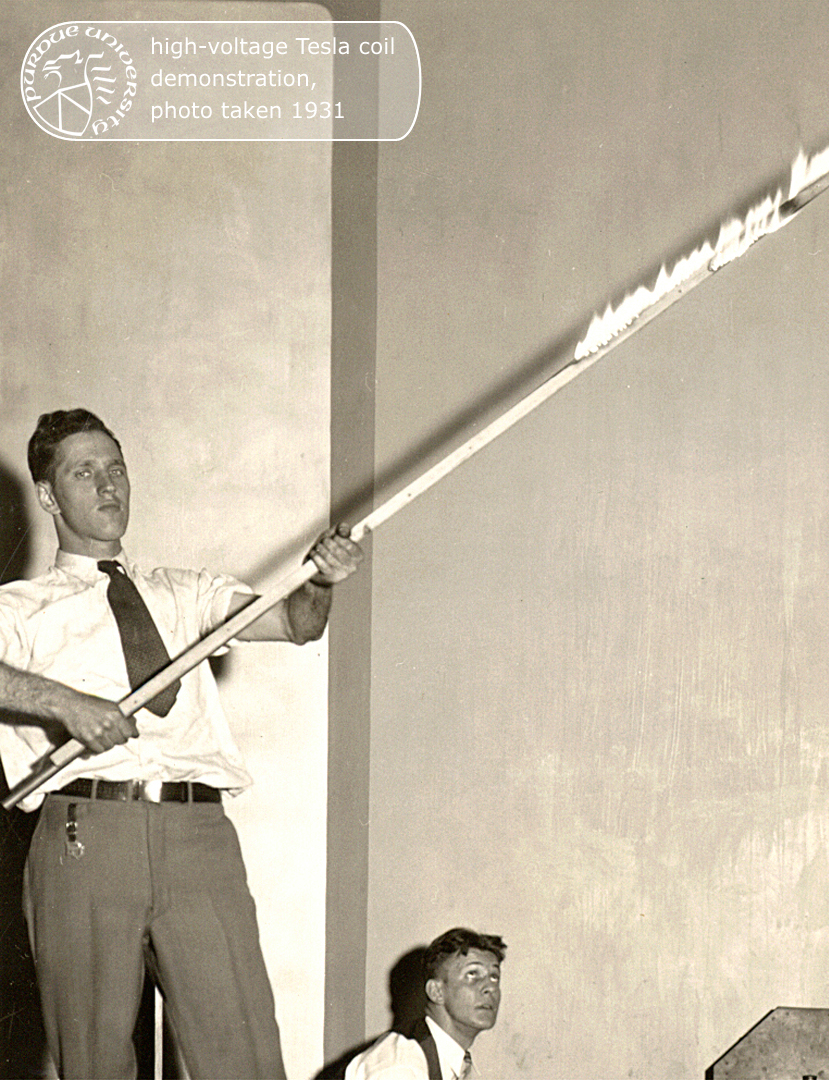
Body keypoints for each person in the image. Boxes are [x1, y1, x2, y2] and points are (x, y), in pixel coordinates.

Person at [0, 408, 363, 1079]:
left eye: (116, 468)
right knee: (93, 1059)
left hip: (197, 834)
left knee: (244, 1051)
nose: (108, 484)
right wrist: (66, 704)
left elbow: (295, 622)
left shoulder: (186, 591)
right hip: (86, 833)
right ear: (47, 496)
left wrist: (319, 581)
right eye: (84, 472)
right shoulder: (20, 607)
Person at [345, 928, 506, 1080]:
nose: (490, 988)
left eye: (494, 977)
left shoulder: (452, 1061)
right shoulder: (400, 1068)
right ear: (436, 992)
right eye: (472, 974)